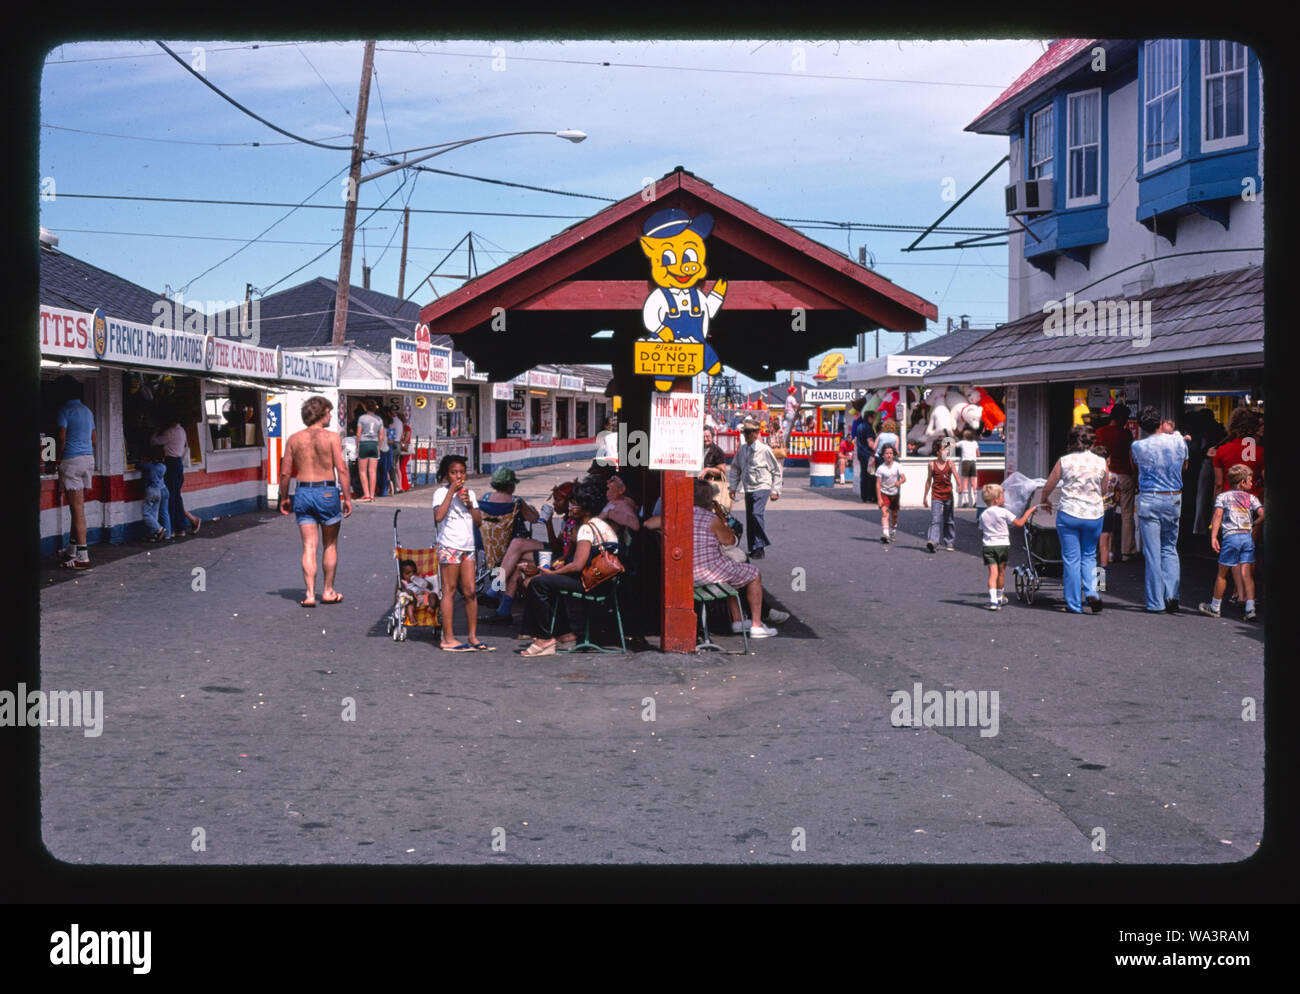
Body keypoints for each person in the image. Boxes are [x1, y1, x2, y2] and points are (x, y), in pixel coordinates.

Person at [518, 477, 619, 656]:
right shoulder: (601, 525)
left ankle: (543, 638)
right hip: (604, 582)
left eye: (574, 505)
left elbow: (577, 565)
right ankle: (563, 633)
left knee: (538, 583)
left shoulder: (586, 530)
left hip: (591, 584)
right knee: (549, 583)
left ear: (585, 508)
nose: (570, 508)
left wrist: (551, 572)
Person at [278, 395, 352, 607]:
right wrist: (347, 498)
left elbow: (285, 473)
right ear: (320, 414)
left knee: (309, 546)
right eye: (328, 412)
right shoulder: (331, 438)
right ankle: (328, 591)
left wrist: (284, 497)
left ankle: (310, 594)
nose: (330, 415)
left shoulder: (294, 439)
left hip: (303, 492)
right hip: (326, 491)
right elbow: (342, 469)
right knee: (330, 544)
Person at [692, 478, 778, 639]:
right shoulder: (712, 520)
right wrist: (727, 529)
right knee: (753, 574)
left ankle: (738, 620)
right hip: (705, 572)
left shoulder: (679, 514)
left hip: (687, 570)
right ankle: (757, 625)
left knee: (732, 570)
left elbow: (649, 523)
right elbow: (729, 541)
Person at [1038, 424, 1108, 614]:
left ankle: (1074, 604)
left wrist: (1044, 499)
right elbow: (1105, 488)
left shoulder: (1064, 461)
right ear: (1091, 442)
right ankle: (1093, 591)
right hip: (1094, 514)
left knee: (1071, 559)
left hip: (1069, 513)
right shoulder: (1101, 462)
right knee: (1089, 556)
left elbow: (1049, 484)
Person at [1130, 405, 1188, 613]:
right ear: (1160, 421)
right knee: (1169, 547)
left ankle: (1156, 602)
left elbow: (1136, 469)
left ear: (1141, 426)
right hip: (1173, 496)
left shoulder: (1138, 446)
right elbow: (1185, 466)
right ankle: (1172, 594)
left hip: (1149, 497)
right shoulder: (1178, 441)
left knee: (1152, 552)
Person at [432, 454, 489, 651]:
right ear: (447, 475)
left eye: (462, 472)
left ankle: (473, 636)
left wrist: (469, 504)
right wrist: (452, 494)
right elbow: (439, 516)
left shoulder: (470, 494)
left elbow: (479, 521)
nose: (459, 476)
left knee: (471, 592)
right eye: (454, 473)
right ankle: (448, 637)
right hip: (449, 545)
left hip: (467, 546)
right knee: (449, 590)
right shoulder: (440, 493)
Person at [1198, 464, 1263, 621]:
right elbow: (1263, 513)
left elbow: (1218, 516)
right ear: (1242, 482)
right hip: (1247, 538)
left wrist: (1213, 536)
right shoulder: (1251, 498)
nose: (1252, 483)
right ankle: (1250, 609)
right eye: (1250, 480)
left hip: (1231, 538)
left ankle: (1215, 606)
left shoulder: (1223, 497)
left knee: (1222, 574)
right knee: (1247, 574)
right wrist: (1254, 523)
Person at [479, 467, 541, 619]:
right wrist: (527, 507)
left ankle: (500, 604)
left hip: (488, 544)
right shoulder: (515, 502)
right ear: (510, 486)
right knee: (517, 553)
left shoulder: (484, 499)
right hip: (510, 544)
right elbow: (533, 518)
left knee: (515, 562)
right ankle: (499, 600)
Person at [54, 376, 98, 569]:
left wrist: (57, 458)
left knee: (77, 509)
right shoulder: (88, 411)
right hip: (88, 460)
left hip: (71, 461)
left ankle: (83, 556)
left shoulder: (64, 410)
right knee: (77, 508)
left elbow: (61, 439)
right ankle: (71, 551)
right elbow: (94, 439)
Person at [728, 416, 782, 559]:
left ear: (756, 433)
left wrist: (775, 490)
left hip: (762, 486)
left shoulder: (764, 450)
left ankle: (761, 544)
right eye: (745, 432)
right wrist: (732, 488)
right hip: (748, 487)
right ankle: (754, 548)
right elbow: (735, 469)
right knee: (750, 518)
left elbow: (776, 470)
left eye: (749, 432)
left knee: (756, 514)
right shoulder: (742, 450)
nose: (746, 435)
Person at [979, 482, 1037, 610]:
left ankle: (993, 600)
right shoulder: (1004, 512)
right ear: (996, 499)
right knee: (1001, 573)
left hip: (988, 546)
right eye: (1003, 496)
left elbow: (981, 530)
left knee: (992, 574)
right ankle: (1000, 597)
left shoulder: (983, 515)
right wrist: (1029, 511)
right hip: (1002, 546)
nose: (1004, 499)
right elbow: (1020, 523)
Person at [1093, 404, 1137, 560]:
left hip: (1106, 475)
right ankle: (1127, 551)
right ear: (1121, 418)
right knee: (1127, 515)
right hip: (1125, 475)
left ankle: (1106, 550)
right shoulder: (1126, 434)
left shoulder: (1100, 432)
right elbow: (1131, 458)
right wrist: (1135, 477)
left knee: (1104, 512)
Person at [151, 408, 201, 539]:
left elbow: (154, 441)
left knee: (170, 498)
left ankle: (172, 528)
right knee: (176, 496)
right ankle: (181, 528)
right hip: (178, 464)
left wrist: (156, 431)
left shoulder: (170, 432)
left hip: (170, 464)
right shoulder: (182, 430)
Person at [922, 440, 957, 553]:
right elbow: (928, 481)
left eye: (947, 449)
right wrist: (925, 497)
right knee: (935, 520)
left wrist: (960, 486)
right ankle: (933, 541)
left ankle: (949, 541)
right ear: (938, 452)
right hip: (936, 495)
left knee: (949, 520)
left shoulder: (950, 463)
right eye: (944, 449)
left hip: (948, 495)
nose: (946, 451)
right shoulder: (931, 465)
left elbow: (956, 476)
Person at [1091, 443, 1117, 592]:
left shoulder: (1093, 475)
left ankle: (1087, 579)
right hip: (1108, 511)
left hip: (1093, 511)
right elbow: (1117, 495)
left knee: (1090, 547)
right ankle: (1101, 582)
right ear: (1108, 459)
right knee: (1104, 545)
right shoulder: (1114, 477)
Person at [138, 448, 171, 542]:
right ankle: (153, 535)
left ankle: (159, 529)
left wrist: (144, 460)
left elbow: (138, 466)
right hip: (159, 491)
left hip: (150, 490)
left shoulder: (149, 466)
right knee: (154, 513)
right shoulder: (163, 467)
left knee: (146, 514)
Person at [874, 444, 905, 543]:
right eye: (886, 453)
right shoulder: (880, 468)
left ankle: (893, 530)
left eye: (891, 453)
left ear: (893, 455)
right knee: (885, 513)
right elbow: (878, 484)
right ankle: (885, 534)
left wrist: (899, 482)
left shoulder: (897, 466)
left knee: (894, 514)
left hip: (895, 493)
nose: (889, 455)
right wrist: (879, 498)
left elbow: (904, 478)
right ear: (883, 455)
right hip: (884, 493)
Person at [355, 399, 383, 502]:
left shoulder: (362, 418)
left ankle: (366, 494)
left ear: (366, 407)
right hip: (374, 444)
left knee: (362, 471)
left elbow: (358, 434)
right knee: (372, 471)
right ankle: (372, 495)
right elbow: (381, 435)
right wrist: (379, 447)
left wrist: (357, 446)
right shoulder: (379, 419)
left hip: (364, 443)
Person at [397, 558, 437, 624]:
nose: (411, 575)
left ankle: (431, 607)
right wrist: (407, 591)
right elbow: (400, 591)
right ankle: (412, 617)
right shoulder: (403, 582)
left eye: (414, 572)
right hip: (413, 599)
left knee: (433, 595)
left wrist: (424, 583)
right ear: (402, 575)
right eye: (408, 573)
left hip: (424, 597)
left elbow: (430, 587)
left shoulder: (419, 577)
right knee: (409, 604)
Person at [854, 407, 877, 504]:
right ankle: (870, 496)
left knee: (863, 474)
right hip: (868, 454)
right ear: (870, 418)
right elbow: (870, 442)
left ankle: (864, 496)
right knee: (871, 475)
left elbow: (856, 440)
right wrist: (876, 448)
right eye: (873, 418)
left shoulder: (859, 426)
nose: (874, 420)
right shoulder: (868, 427)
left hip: (860, 453)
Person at [953, 428, 980, 508]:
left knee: (964, 482)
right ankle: (976, 501)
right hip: (973, 462)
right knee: (973, 482)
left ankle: (966, 501)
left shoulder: (962, 442)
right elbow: (978, 453)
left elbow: (953, 445)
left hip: (965, 462)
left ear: (965, 436)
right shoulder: (975, 443)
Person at [387, 407, 406, 494]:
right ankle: (400, 486)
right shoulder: (400, 422)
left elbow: (391, 434)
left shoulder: (392, 421)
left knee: (393, 467)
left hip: (393, 444)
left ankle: (394, 487)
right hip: (398, 444)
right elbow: (402, 436)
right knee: (397, 467)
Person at [376, 408, 393, 498]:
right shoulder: (390, 429)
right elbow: (391, 441)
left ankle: (380, 489)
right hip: (388, 449)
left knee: (378, 470)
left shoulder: (377, 428)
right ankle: (384, 491)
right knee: (385, 470)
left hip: (379, 449)